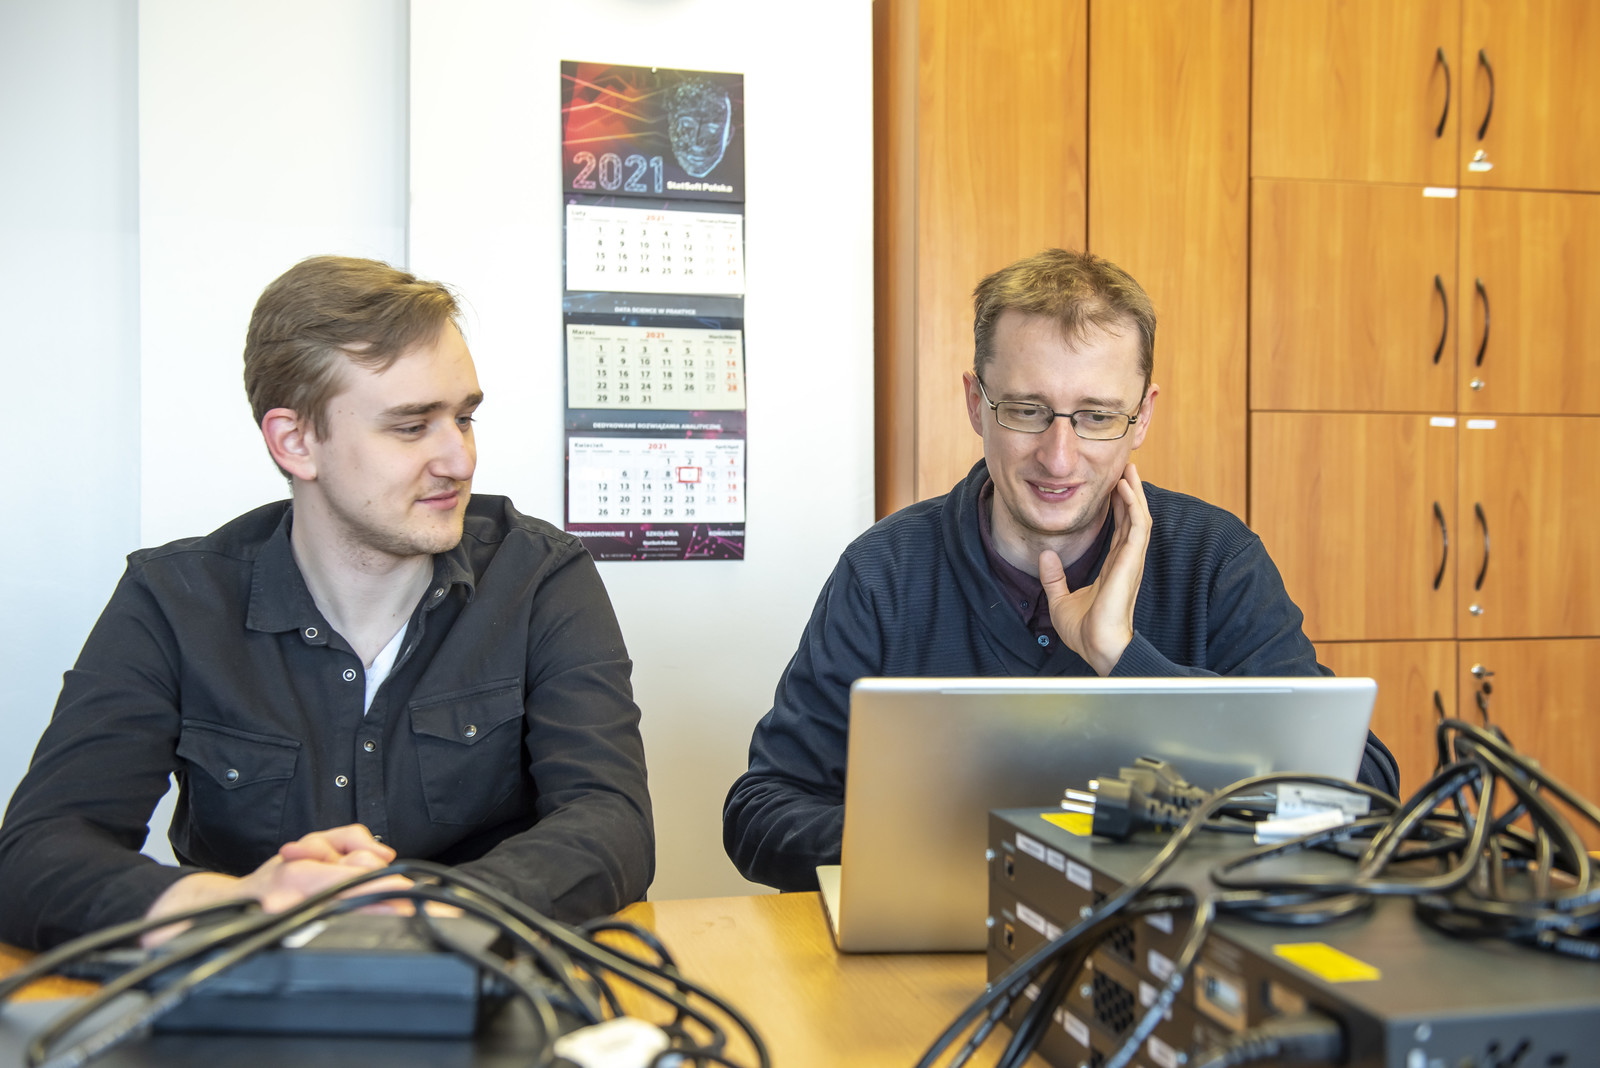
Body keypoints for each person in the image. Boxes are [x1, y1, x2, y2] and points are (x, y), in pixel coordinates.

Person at [0, 256, 654, 950]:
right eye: (411, 427)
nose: (460, 460)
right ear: (295, 442)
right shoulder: (173, 599)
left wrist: (429, 910)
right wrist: (243, 903)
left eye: (463, 418)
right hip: (246, 985)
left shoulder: (539, 576)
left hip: (483, 973)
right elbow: (35, 855)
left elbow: (611, 822)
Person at [723, 248, 1398, 892]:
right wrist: (971, 840)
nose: (1059, 457)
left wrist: (1125, 659)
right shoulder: (884, 573)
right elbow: (761, 812)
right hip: (934, 955)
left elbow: (1360, 793)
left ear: (1142, 417)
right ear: (975, 403)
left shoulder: (1215, 561)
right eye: (1027, 411)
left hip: (1169, 943)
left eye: (1097, 416)